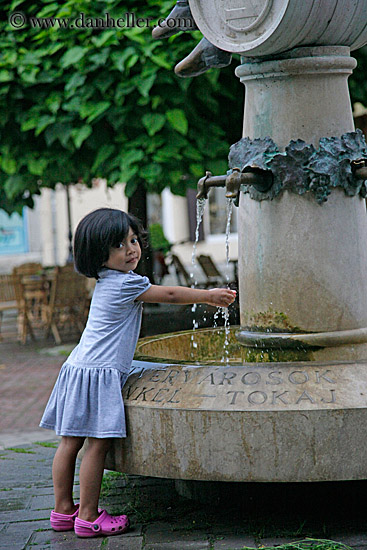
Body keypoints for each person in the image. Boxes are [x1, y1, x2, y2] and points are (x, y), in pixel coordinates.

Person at [39, 207, 236, 539]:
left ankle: (62, 510)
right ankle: (88, 516)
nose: (131, 249)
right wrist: (209, 297)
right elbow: (171, 294)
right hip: (101, 374)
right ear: (98, 252)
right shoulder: (126, 284)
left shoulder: (106, 280)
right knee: (97, 446)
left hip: (77, 367)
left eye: (133, 240)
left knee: (69, 442)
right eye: (119, 244)